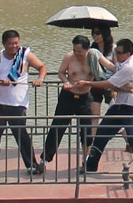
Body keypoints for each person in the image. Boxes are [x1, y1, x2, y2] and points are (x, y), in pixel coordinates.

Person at [83, 36, 133, 178]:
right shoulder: (122, 62)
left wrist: (86, 83)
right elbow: (114, 71)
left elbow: (108, 84)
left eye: (119, 52)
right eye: (116, 51)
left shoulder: (130, 67)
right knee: (101, 134)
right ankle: (90, 166)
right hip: (120, 104)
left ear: (128, 54)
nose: (116, 54)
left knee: (132, 136)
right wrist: (122, 86)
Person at [0, 29, 46, 174]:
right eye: (11, 44)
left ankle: (31, 165)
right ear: (4, 44)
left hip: (18, 103)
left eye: (16, 43)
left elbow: (42, 67)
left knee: (21, 134)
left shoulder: (25, 55)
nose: (14, 46)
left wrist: (40, 79)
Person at [41, 33, 104, 168]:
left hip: (85, 98)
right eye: (75, 50)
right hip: (68, 97)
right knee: (57, 127)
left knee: (87, 130)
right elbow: (61, 72)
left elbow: (109, 68)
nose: (77, 53)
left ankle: (86, 158)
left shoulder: (94, 57)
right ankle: (45, 159)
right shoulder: (69, 57)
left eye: (79, 51)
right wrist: (66, 82)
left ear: (87, 49)